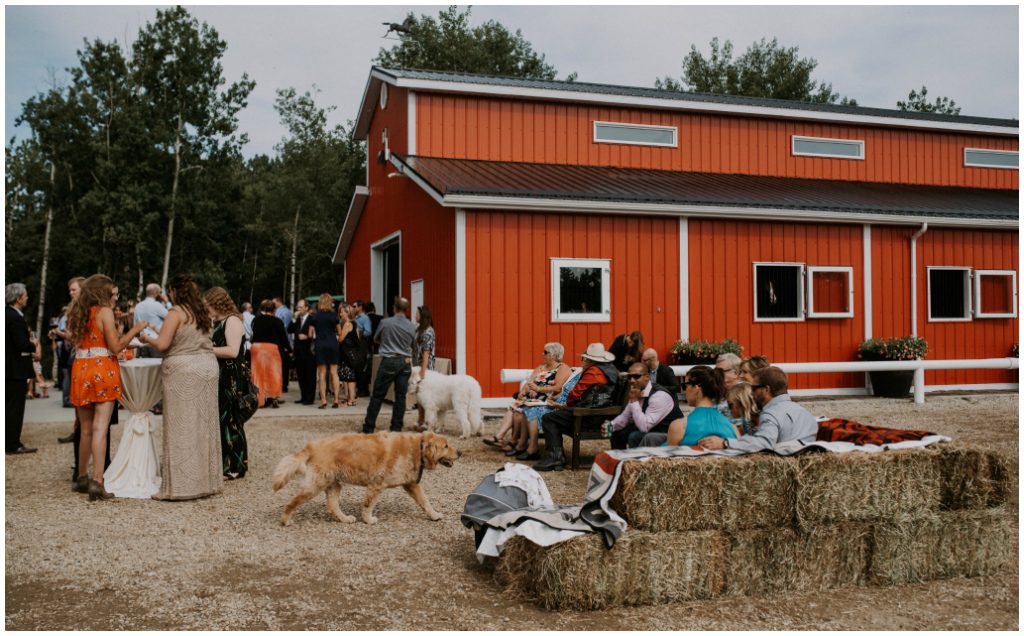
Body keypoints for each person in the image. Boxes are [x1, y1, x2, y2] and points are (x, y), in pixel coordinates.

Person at [138, 273, 221, 500]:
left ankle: (181, 488)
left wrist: (146, 339)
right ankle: (206, 483)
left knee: (181, 427)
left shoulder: (176, 312)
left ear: (174, 291)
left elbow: (164, 345)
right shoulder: (202, 313)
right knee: (204, 427)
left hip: (183, 372)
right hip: (207, 368)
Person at [68, 275, 148, 499]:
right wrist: (136, 329)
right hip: (102, 370)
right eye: (114, 294)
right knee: (100, 428)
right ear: (102, 293)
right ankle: (97, 481)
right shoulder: (104, 312)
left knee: (84, 428)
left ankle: (81, 476)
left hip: (81, 368)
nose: (115, 298)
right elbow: (115, 346)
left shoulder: (77, 312)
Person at [534, 343, 619, 472]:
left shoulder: (593, 372)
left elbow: (574, 394)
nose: (583, 361)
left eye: (585, 359)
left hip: (588, 416)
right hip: (601, 414)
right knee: (554, 417)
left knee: (549, 418)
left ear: (590, 360)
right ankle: (556, 458)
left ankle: (555, 458)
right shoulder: (611, 370)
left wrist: (565, 405)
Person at [698, 366, 818, 451]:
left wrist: (724, 443)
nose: (751, 391)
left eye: (754, 388)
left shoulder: (770, 415)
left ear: (766, 390)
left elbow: (763, 443)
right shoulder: (805, 413)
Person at [490, 343, 572, 459]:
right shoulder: (541, 367)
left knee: (523, 410)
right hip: (532, 398)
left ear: (553, 355)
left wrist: (539, 389)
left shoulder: (562, 368)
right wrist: (524, 391)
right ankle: (511, 441)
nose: (542, 354)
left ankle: (519, 444)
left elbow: (558, 388)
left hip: (547, 400)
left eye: (545, 352)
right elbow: (529, 382)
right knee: (515, 409)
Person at [205, 287, 249, 480]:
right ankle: (223, 463)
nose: (207, 310)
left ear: (217, 304)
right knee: (221, 421)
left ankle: (235, 466)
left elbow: (232, 351)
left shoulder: (232, 321)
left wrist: (205, 349)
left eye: (209, 306)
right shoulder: (219, 321)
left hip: (230, 377)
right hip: (220, 376)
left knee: (230, 420)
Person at [362, 297, 416, 434]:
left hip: (390, 360)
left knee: (378, 394)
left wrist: (386, 343)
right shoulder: (411, 325)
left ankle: (369, 427)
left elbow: (375, 339)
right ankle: (396, 428)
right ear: (406, 309)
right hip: (405, 362)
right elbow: (413, 345)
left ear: (394, 308)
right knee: (401, 396)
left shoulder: (385, 322)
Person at [609, 362, 685, 449]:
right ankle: (620, 460)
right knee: (617, 433)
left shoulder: (659, 396)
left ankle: (638, 461)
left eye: (636, 376)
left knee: (635, 436)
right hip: (652, 428)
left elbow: (644, 427)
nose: (632, 380)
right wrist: (610, 426)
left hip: (670, 433)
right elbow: (625, 417)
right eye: (629, 377)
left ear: (647, 377)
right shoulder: (637, 391)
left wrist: (634, 401)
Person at [657, 365, 737, 447]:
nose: (685, 391)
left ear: (697, 387)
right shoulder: (732, 427)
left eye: (685, 385)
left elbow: (668, 459)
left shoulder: (678, 427)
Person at [6, 283, 39, 455]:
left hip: (7, 368)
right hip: (14, 369)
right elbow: (20, 344)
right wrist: (33, 345)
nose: (27, 298)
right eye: (25, 295)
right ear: (18, 298)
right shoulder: (15, 318)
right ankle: (13, 444)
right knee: (15, 408)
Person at [251, 299, 291, 408]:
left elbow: (252, 333)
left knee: (259, 374)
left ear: (262, 308)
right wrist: (290, 350)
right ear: (274, 309)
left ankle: (260, 399)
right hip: (271, 348)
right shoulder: (277, 321)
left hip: (257, 348)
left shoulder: (256, 320)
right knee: (273, 373)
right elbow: (284, 338)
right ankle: (273, 397)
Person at [309, 294, 341, 409]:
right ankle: (336, 399)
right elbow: (339, 332)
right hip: (332, 344)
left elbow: (310, 333)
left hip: (320, 345)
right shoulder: (334, 316)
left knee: (321, 374)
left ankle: (323, 401)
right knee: (334, 372)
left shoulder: (315, 316)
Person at [411, 305, 437, 431]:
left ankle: (427, 421)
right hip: (416, 366)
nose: (415, 315)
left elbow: (426, 353)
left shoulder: (428, 331)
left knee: (425, 396)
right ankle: (420, 420)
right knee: (419, 396)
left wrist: (422, 372)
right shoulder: (418, 330)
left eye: (417, 313)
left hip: (425, 368)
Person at [289, 299, 316, 405]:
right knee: (301, 375)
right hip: (299, 352)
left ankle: (310, 398)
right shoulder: (297, 320)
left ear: (306, 308)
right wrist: (294, 319)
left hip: (309, 352)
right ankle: (303, 397)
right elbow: (289, 330)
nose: (298, 309)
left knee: (310, 375)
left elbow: (315, 335)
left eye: (300, 307)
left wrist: (307, 337)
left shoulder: (312, 319)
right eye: (297, 307)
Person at [134, 283, 169, 358]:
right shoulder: (157, 305)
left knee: (144, 369)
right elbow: (171, 317)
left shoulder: (138, 306)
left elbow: (135, 326)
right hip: (155, 344)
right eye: (160, 292)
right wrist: (167, 302)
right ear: (156, 293)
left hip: (142, 344)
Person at [336, 303, 361, 407]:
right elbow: (358, 338)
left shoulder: (347, 324)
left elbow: (341, 339)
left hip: (347, 354)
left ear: (347, 313)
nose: (340, 314)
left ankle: (351, 400)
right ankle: (351, 398)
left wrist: (336, 336)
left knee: (349, 377)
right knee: (350, 376)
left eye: (341, 312)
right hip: (352, 353)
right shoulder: (354, 323)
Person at [350, 300, 373, 396]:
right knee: (356, 366)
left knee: (361, 366)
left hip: (362, 344)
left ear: (360, 307)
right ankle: (359, 388)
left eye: (354, 306)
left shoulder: (365, 318)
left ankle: (363, 390)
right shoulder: (355, 318)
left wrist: (359, 332)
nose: (353, 308)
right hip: (355, 344)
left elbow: (368, 331)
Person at [273, 297, 293, 393]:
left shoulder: (285, 312)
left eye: (274, 302)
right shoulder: (278, 311)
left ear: (278, 302)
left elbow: (284, 327)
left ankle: (284, 385)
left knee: (284, 365)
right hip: (280, 342)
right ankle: (280, 384)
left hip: (284, 342)